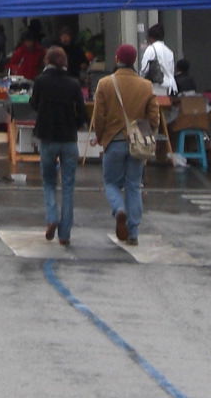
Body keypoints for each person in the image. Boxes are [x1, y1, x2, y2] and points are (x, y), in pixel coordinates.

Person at [90, 43, 161, 245]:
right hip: (137, 143)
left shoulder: (104, 84)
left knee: (111, 182)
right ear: (134, 60)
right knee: (133, 185)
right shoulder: (145, 85)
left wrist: (100, 136)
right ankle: (133, 232)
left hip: (114, 140)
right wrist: (146, 132)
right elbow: (154, 118)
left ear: (116, 58)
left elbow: (99, 117)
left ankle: (118, 209)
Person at [30, 46, 87, 245]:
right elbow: (82, 112)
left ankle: (52, 217)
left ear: (47, 60)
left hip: (47, 137)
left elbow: (34, 104)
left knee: (48, 181)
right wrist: (76, 125)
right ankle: (65, 234)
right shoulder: (73, 83)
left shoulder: (40, 81)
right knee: (68, 185)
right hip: (69, 139)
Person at [137, 21, 178, 94]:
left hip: (154, 86)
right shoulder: (169, 51)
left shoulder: (151, 49)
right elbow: (171, 71)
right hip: (168, 87)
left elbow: (144, 69)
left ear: (150, 37)